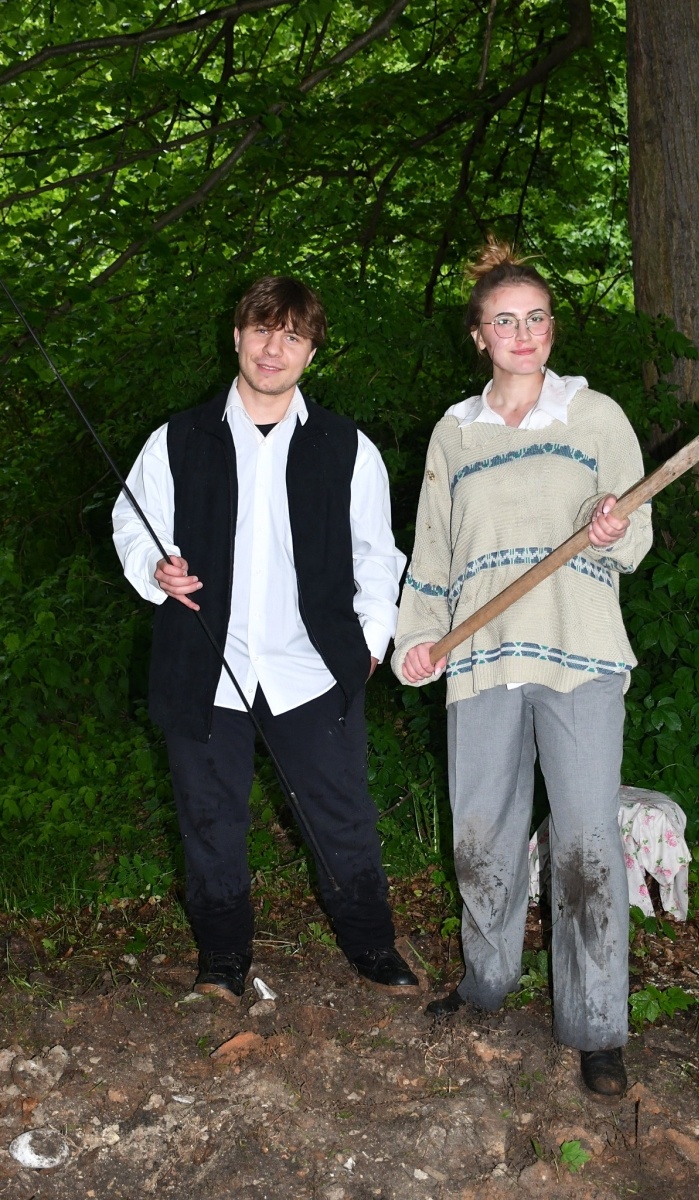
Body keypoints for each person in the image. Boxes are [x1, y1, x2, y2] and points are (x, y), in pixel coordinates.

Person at [391, 239, 653, 1096]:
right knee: (481, 835)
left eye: (536, 317)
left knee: (586, 844)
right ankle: (486, 983)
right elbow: (434, 550)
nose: (524, 332)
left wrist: (611, 527)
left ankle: (596, 1026)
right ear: (478, 336)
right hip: (479, 659)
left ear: (551, 328)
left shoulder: (595, 416)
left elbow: (636, 538)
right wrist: (418, 636)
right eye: (504, 320)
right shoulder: (455, 434)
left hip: (581, 652)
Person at [113, 274, 418, 1003]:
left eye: (292, 335)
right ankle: (221, 962)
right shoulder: (177, 439)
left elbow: (378, 556)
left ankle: (373, 947)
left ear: (311, 351)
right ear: (237, 336)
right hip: (203, 665)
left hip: (310, 667)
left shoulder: (347, 447)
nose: (273, 348)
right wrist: (155, 568)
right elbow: (131, 521)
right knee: (210, 821)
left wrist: (371, 643)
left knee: (341, 818)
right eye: (261, 329)